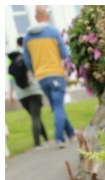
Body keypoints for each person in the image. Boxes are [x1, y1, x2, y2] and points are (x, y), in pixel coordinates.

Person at [22, 6, 75, 148]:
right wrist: (68, 72)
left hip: (41, 77)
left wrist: (36, 72)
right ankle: (59, 139)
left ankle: (70, 133)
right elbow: (64, 54)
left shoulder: (27, 38)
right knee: (58, 106)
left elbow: (27, 60)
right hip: (56, 74)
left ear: (35, 17)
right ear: (47, 16)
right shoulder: (53, 32)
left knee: (56, 106)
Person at [8, 37, 50, 150]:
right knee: (36, 116)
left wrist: (11, 96)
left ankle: (45, 138)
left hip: (22, 95)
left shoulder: (12, 66)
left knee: (35, 116)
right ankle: (37, 143)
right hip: (34, 91)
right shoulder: (27, 59)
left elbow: (11, 82)